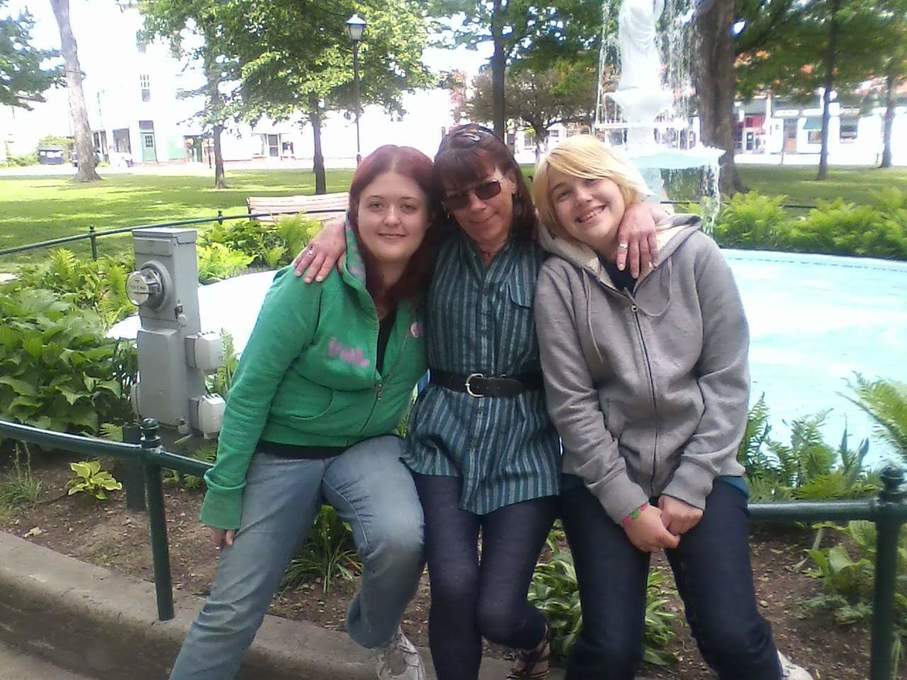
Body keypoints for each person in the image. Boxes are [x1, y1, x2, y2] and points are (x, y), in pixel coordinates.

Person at [295, 124, 660, 680]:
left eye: (487, 188)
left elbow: (602, 221)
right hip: (443, 438)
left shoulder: (549, 244)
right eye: (458, 197)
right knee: (454, 585)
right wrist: (335, 230)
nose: (475, 206)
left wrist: (641, 209)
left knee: (497, 610)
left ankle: (534, 637)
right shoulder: (437, 246)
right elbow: (384, 226)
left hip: (526, 445)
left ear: (511, 180)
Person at [531, 134, 813, 680]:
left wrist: (691, 482)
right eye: (563, 193)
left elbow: (728, 379)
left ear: (621, 182)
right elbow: (572, 405)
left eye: (592, 180)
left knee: (733, 637)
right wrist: (627, 506)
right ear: (554, 214)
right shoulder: (558, 281)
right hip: (605, 476)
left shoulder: (695, 256)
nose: (581, 198)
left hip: (704, 467)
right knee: (610, 649)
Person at [169, 145, 440, 680]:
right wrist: (225, 490)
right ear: (354, 210)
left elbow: (504, 232)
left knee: (402, 539)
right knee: (233, 608)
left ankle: (377, 633)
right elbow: (251, 389)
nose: (391, 219)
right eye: (376, 205)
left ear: (430, 217)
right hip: (282, 451)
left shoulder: (434, 282)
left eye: (408, 206)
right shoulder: (310, 280)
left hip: (368, 447)